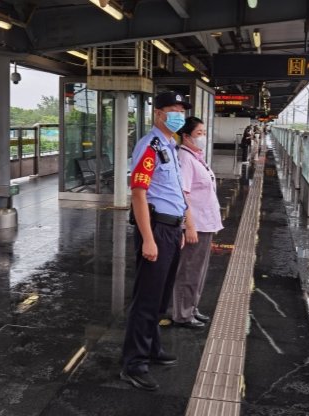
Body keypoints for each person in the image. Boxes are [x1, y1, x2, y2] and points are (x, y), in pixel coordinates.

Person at [120, 91, 192, 392]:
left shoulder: (170, 145)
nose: (179, 115)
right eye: (172, 110)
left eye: (182, 111)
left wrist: (184, 226)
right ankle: (134, 364)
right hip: (157, 229)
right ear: (158, 114)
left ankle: (152, 347)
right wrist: (148, 239)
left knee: (161, 296)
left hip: (172, 229)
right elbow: (138, 193)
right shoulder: (149, 147)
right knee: (147, 299)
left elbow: (174, 191)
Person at [172, 117, 223, 329]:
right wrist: (189, 225)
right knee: (189, 270)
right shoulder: (185, 158)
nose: (203, 136)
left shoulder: (196, 157)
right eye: (199, 133)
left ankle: (191, 308)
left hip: (206, 223)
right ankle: (182, 314)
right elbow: (182, 194)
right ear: (186, 136)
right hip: (196, 225)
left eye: (203, 132)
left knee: (199, 270)